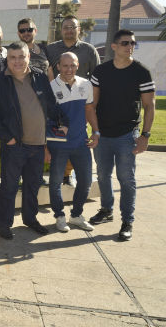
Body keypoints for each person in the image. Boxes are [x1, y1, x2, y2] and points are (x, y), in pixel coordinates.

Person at [0, 41, 68, 240]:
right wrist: (6, 137)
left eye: (21, 56)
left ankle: (30, 219)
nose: (17, 61)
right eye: (13, 57)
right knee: (9, 187)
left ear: (28, 56)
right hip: (14, 145)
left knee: (32, 185)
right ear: (7, 60)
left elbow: (51, 104)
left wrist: (63, 121)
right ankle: (5, 224)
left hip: (38, 144)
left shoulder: (39, 76)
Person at [89, 29, 155, 241]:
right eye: (125, 43)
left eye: (133, 43)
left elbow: (149, 106)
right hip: (103, 135)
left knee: (126, 179)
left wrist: (145, 135)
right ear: (114, 47)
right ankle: (106, 210)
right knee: (102, 175)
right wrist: (95, 131)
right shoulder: (101, 71)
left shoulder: (141, 72)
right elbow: (93, 103)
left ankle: (127, 220)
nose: (130, 47)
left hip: (128, 135)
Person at [47, 52, 98, 233]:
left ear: (77, 66)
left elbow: (89, 109)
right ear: (58, 66)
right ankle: (59, 216)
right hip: (58, 145)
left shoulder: (86, 84)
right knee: (55, 183)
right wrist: (46, 147)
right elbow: (44, 119)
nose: (69, 69)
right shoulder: (50, 87)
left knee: (85, 181)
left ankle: (76, 215)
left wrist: (96, 131)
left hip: (80, 143)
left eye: (73, 65)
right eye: (65, 65)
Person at [46, 15, 100, 80]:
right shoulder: (50, 49)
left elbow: (97, 76)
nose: (69, 30)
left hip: (82, 89)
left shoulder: (89, 50)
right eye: (65, 27)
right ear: (61, 30)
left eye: (72, 27)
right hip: (55, 89)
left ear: (79, 29)